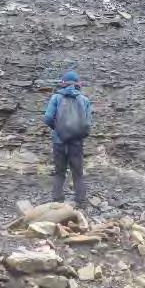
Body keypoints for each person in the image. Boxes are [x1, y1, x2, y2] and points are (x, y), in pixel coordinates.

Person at [43, 71, 93, 207]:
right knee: (78, 173)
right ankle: (81, 202)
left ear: (63, 83)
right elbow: (88, 123)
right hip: (76, 143)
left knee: (59, 172)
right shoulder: (84, 100)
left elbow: (47, 118)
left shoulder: (56, 98)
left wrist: (59, 129)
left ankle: (57, 201)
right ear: (78, 84)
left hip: (59, 141)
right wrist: (79, 135)